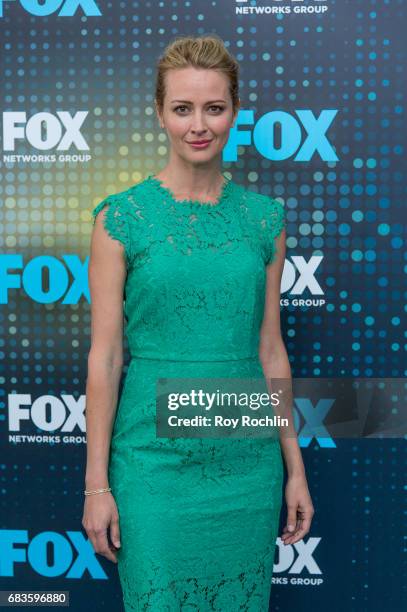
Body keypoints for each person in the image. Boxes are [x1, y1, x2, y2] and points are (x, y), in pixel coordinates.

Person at [82, 34, 314, 611]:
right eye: (183, 108)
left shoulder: (265, 221)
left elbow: (269, 351)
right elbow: (106, 359)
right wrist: (96, 487)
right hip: (152, 464)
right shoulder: (121, 219)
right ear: (159, 113)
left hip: (246, 461)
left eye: (214, 107)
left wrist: (294, 468)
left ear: (235, 111)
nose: (198, 124)